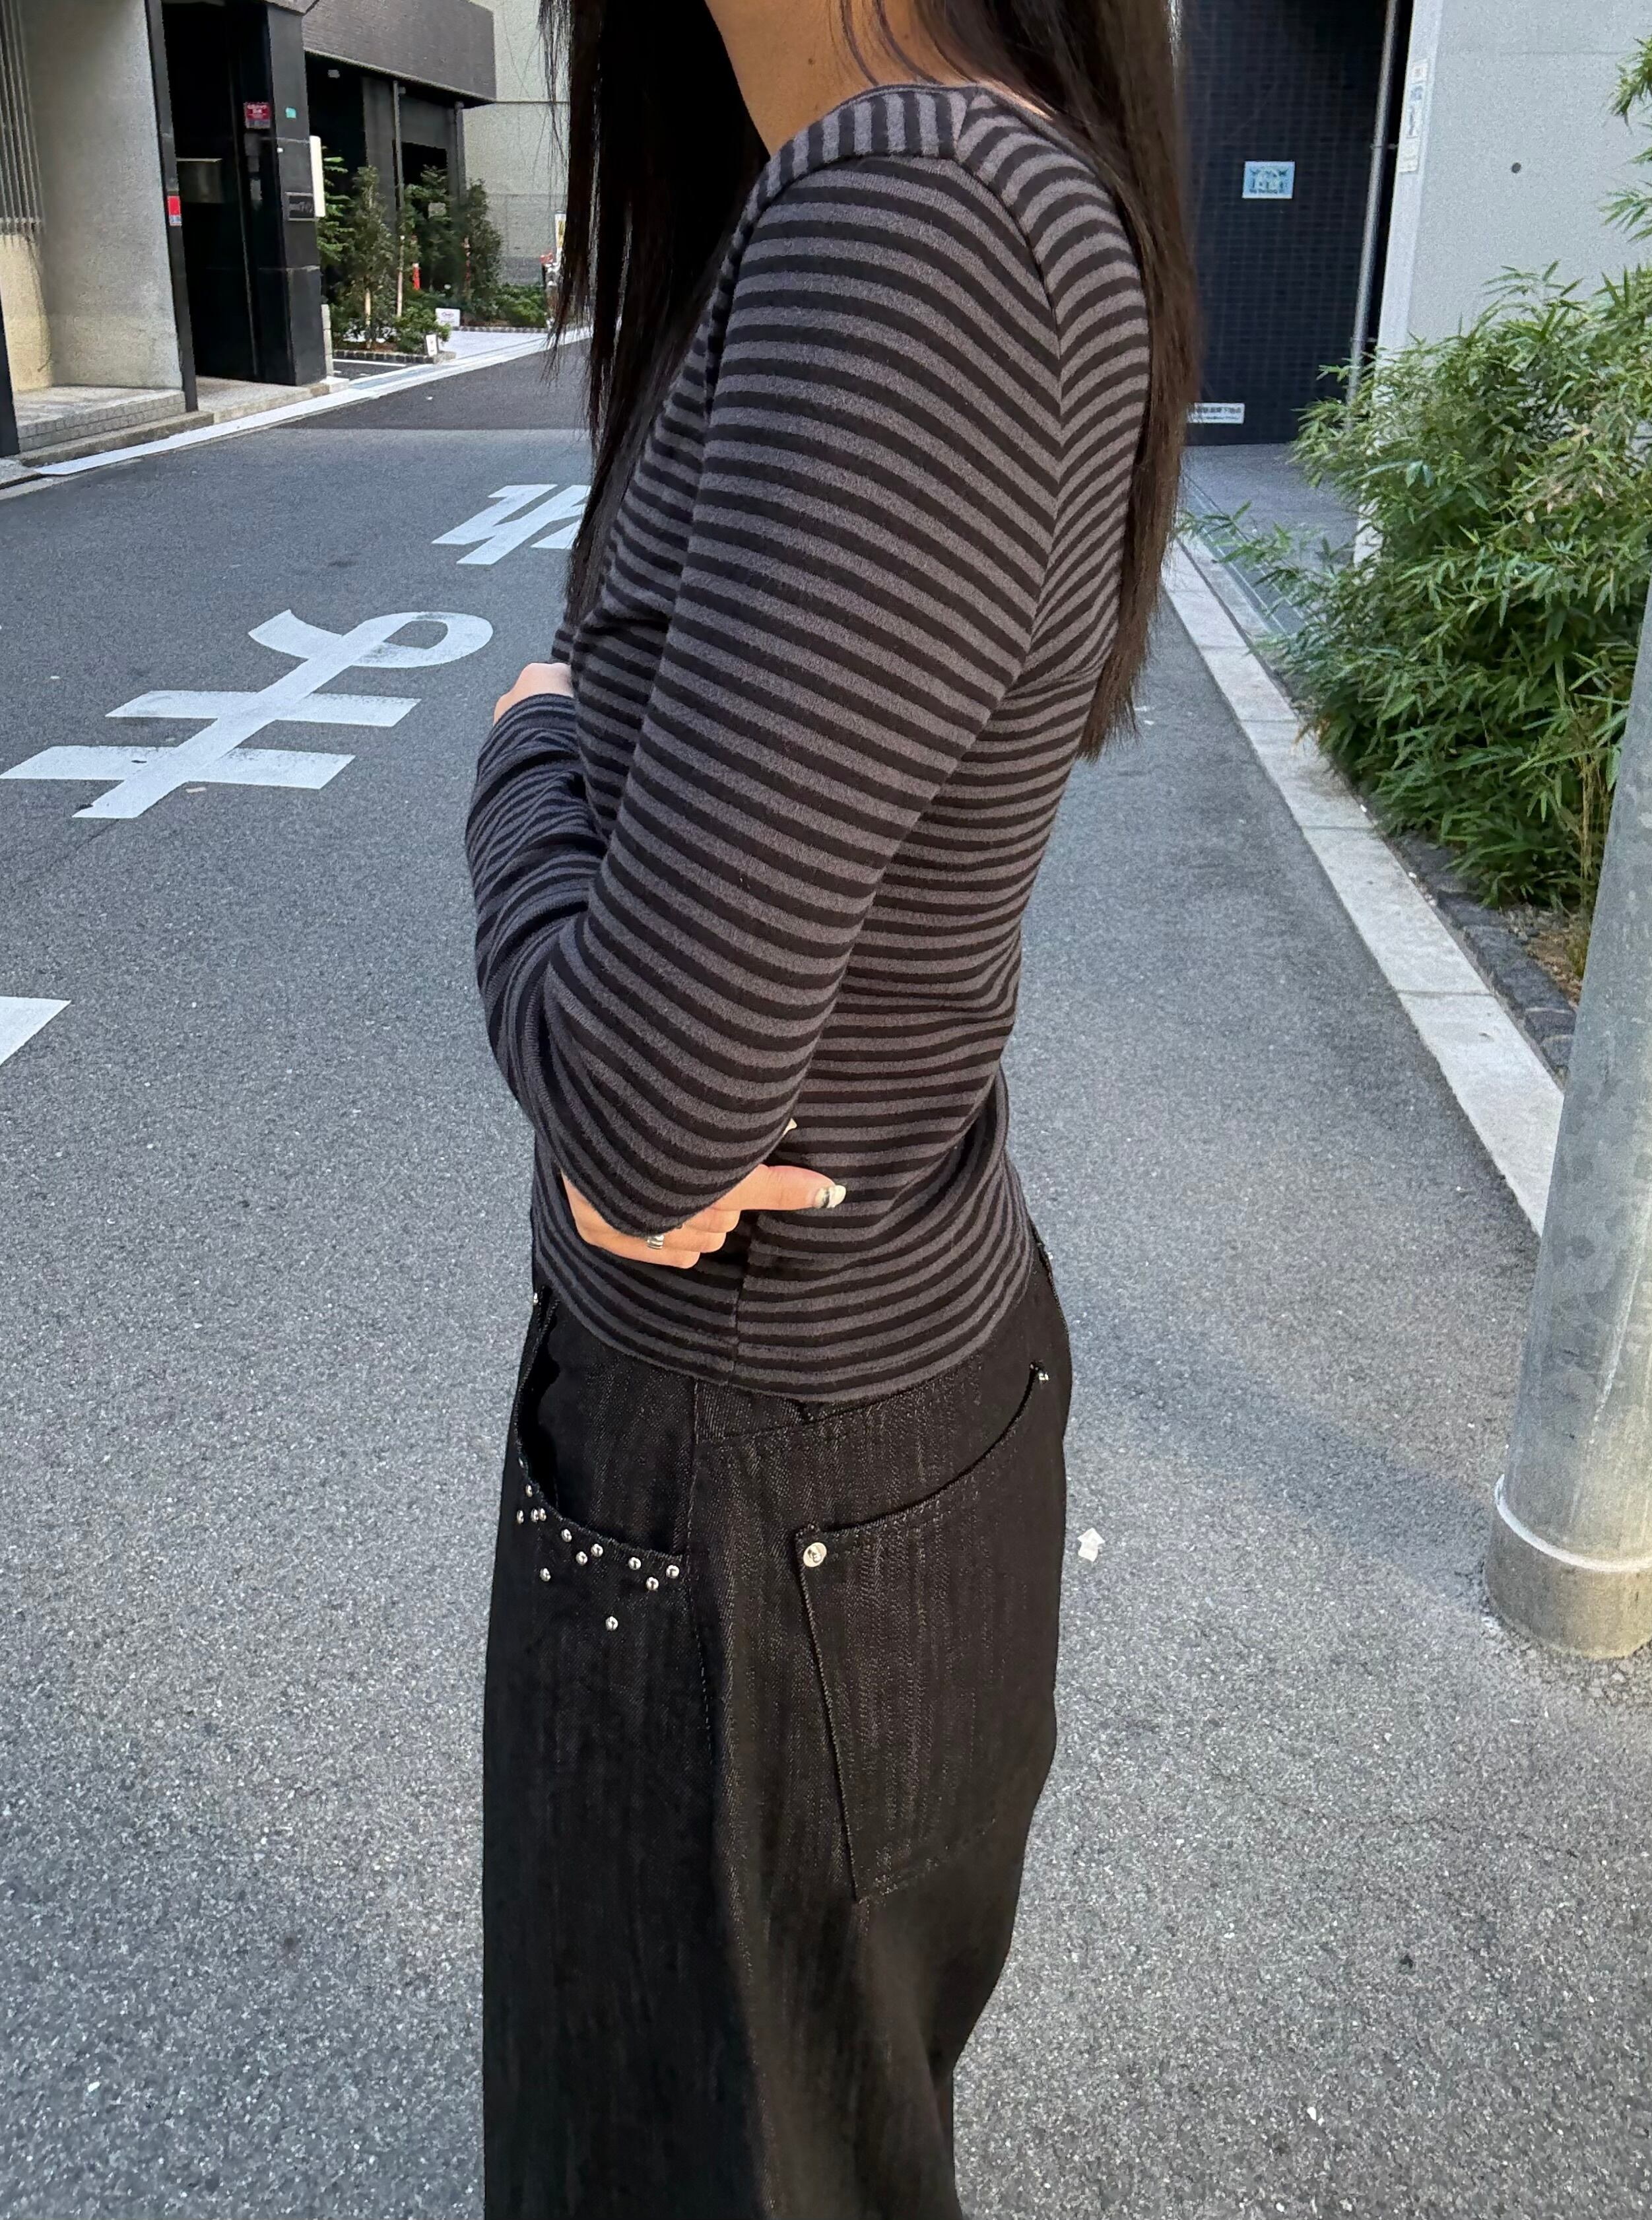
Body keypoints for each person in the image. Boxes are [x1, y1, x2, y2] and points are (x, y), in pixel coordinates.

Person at [465, 1, 1195, 2211]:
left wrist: (516, 749)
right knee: (801, 2122)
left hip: (748, 1483)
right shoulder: (970, 187)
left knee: (707, 2147)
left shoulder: (914, 210)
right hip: (844, 1432)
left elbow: (645, 1116)